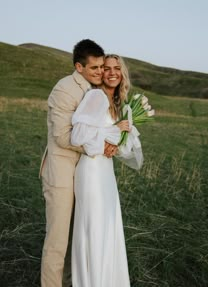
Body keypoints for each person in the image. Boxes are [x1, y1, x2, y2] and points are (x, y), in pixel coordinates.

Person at [39, 39, 115, 287]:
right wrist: (100, 145)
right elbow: (62, 137)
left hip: (86, 174)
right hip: (61, 173)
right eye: (94, 68)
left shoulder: (97, 90)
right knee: (58, 241)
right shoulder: (64, 89)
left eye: (102, 67)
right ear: (78, 67)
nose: (100, 72)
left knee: (78, 238)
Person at [70, 54, 143, 287]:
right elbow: (78, 135)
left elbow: (118, 148)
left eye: (117, 68)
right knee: (94, 229)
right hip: (90, 171)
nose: (112, 72)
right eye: (107, 68)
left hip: (105, 171)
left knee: (107, 226)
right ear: (101, 73)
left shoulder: (117, 103)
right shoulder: (95, 96)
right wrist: (111, 134)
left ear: (123, 74)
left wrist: (118, 141)